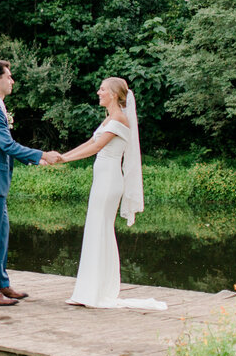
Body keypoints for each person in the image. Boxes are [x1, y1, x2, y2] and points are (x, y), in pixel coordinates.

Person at [60, 77, 165, 310]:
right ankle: (90, 290)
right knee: (96, 229)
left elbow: (96, 148)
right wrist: (62, 156)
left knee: (100, 230)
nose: (98, 92)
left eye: (103, 89)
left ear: (115, 95)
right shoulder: (109, 118)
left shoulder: (119, 118)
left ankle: (96, 292)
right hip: (103, 180)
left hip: (109, 182)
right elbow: (90, 141)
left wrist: (63, 159)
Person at [0, 59, 62, 306]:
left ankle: (2, 284)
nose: (12, 80)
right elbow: (7, 145)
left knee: (1, 233)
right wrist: (41, 156)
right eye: (9, 76)